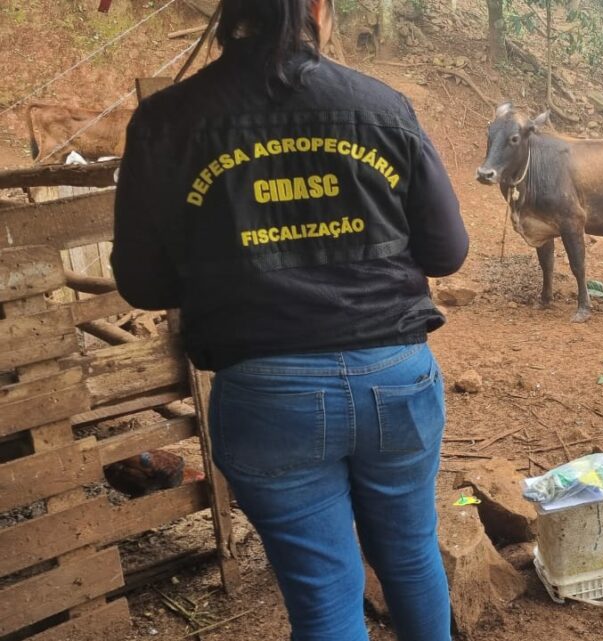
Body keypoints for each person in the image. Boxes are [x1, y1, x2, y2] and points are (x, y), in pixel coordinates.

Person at [111, 1, 467, 640]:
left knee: (324, 593)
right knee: (411, 554)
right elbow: (448, 251)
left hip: (267, 394)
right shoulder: (383, 106)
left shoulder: (166, 121)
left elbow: (142, 283)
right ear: (319, 10)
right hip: (395, 378)